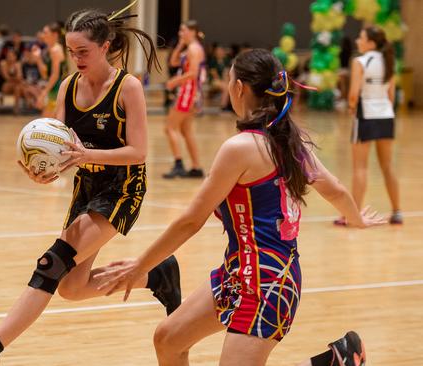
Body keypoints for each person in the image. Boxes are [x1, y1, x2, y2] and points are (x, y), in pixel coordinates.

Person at [95, 49, 383, 366]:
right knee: (168, 340)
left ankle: (334, 361)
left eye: (230, 78)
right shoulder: (287, 140)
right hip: (238, 277)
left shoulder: (242, 148)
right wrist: (356, 219)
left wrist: (141, 265)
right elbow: (338, 190)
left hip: (267, 285)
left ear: (240, 88)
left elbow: (191, 221)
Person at [0, 6, 181, 366]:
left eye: (83, 52)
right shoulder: (68, 86)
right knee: (71, 288)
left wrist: (84, 155)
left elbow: (138, 153)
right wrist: (42, 171)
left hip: (122, 189)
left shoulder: (128, 87)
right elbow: (58, 148)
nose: (76, 59)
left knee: (51, 263)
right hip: (85, 190)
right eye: (71, 51)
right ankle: (156, 275)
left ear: (105, 46)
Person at [335, 26, 401, 226]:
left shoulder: (360, 62)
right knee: (387, 166)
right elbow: (391, 95)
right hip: (386, 116)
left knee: (360, 169)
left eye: (361, 37)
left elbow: (354, 94)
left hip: (365, 116)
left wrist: (351, 107)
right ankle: (397, 212)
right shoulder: (389, 62)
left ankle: (352, 216)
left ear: (371, 43)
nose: (357, 41)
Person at [162, 20, 206, 179]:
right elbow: (173, 62)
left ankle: (178, 164)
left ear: (193, 32)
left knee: (170, 127)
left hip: (189, 91)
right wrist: (180, 45)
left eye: (184, 31)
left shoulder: (194, 49)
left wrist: (175, 81)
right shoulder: (190, 48)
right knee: (186, 130)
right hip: (191, 92)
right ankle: (196, 167)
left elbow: (193, 73)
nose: (181, 33)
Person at [36, 21, 67, 117]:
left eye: (45, 32)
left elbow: (55, 75)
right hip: (54, 90)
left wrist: (43, 93)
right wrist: (38, 59)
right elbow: (45, 74)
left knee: (47, 125)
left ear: (54, 34)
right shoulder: (51, 49)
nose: (42, 35)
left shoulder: (56, 50)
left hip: (58, 90)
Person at [0, 47, 24, 113]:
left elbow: (20, 76)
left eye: (11, 56)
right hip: (3, 85)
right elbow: (6, 78)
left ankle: (16, 107)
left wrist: (16, 78)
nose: (9, 57)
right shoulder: (3, 63)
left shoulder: (17, 64)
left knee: (17, 87)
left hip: (15, 86)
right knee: (18, 85)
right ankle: (19, 106)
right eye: (8, 56)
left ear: (15, 57)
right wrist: (16, 79)